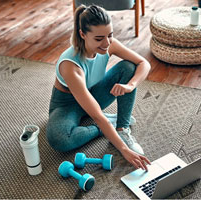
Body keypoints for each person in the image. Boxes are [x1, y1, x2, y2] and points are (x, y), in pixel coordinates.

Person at [46, 4, 151, 170]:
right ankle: (103, 128)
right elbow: (97, 115)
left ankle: (121, 127)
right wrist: (124, 150)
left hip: (93, 93)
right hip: (67, 104)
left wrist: (130, 86)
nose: (106, 43)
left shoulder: (109, 44)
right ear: (82, 34)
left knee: (128, 68)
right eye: (99, 38)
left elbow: (143, 63)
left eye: (110, 35)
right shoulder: (70, 66)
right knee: (59, 138)